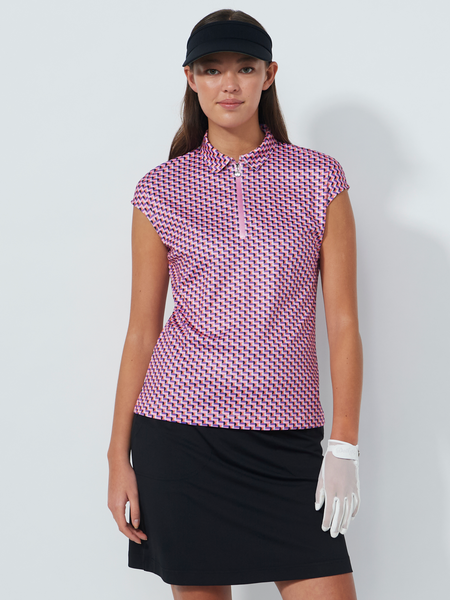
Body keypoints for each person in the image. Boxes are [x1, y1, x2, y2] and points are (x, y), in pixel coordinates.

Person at [107, 8, 363, 600]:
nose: (229, 84)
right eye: (212, 69)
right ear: (191, 79)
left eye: (245, 68)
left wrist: (344, 445)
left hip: (286, 438)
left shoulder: (320, 178)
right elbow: (142, 331)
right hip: (179, 437)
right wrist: (118, 457)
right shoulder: (160, 188)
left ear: (269, 75)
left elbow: (343, 322)